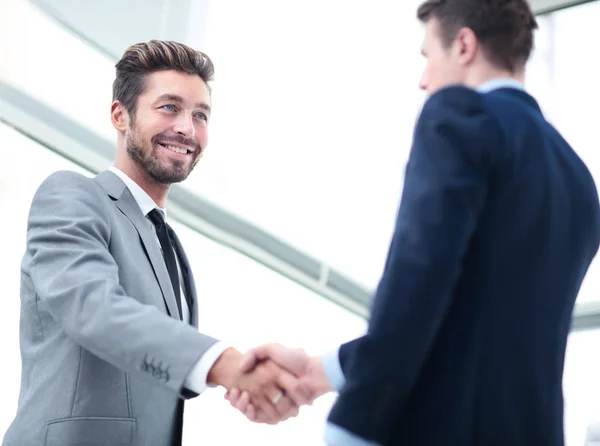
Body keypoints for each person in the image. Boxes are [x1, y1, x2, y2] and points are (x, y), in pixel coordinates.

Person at [226, 0, 600, 445]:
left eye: (427, 56)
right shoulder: (579, 179)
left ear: (463, 45)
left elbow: (419, 278)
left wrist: (356, 420)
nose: (424, 80)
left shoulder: (461, 115)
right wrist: (313, 373)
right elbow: (469, 315)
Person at [2, 40, 307, 446]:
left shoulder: (172, 250)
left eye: (201, 115)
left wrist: (244, 382)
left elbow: (157, 369)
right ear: (120, 115)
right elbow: (94, 308)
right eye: (169, 107)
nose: (187, 127)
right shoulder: (73, 196)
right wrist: (226, 364)